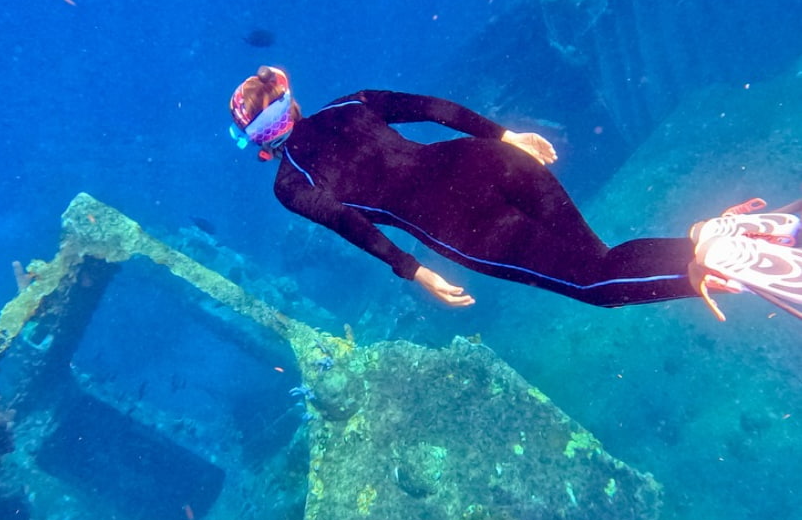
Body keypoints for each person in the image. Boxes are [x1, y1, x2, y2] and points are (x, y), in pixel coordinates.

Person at [229, 66, 802, 322]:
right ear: (291, 97)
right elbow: (436, 111)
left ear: (258, 143)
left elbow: (352, 226)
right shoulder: (351, 102)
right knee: (599, 262)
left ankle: (701, 265)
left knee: (598, 286)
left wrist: (414, 271)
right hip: (486, 160)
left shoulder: (289, 184)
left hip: (463, 225)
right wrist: (505, 136)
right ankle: (712, 242)